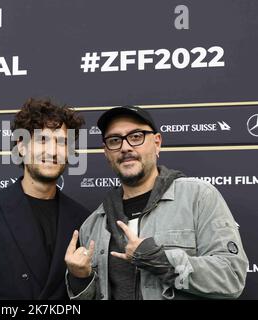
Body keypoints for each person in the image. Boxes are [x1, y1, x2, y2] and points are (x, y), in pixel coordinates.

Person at [65, 105, 249, 300]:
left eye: (136, 137)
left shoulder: (198, 197)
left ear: (157, 142)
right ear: (106, 152)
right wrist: (80, 279)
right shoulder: (93, 224)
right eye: (114, 140)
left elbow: (232, 277)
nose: (125, 147)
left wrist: (157, 259)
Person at [0, 98, 90, 299]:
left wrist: (81, 277)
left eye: (62, 142)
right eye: (42, 140)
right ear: (21, 147)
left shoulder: (82, 219)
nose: (52, 151)